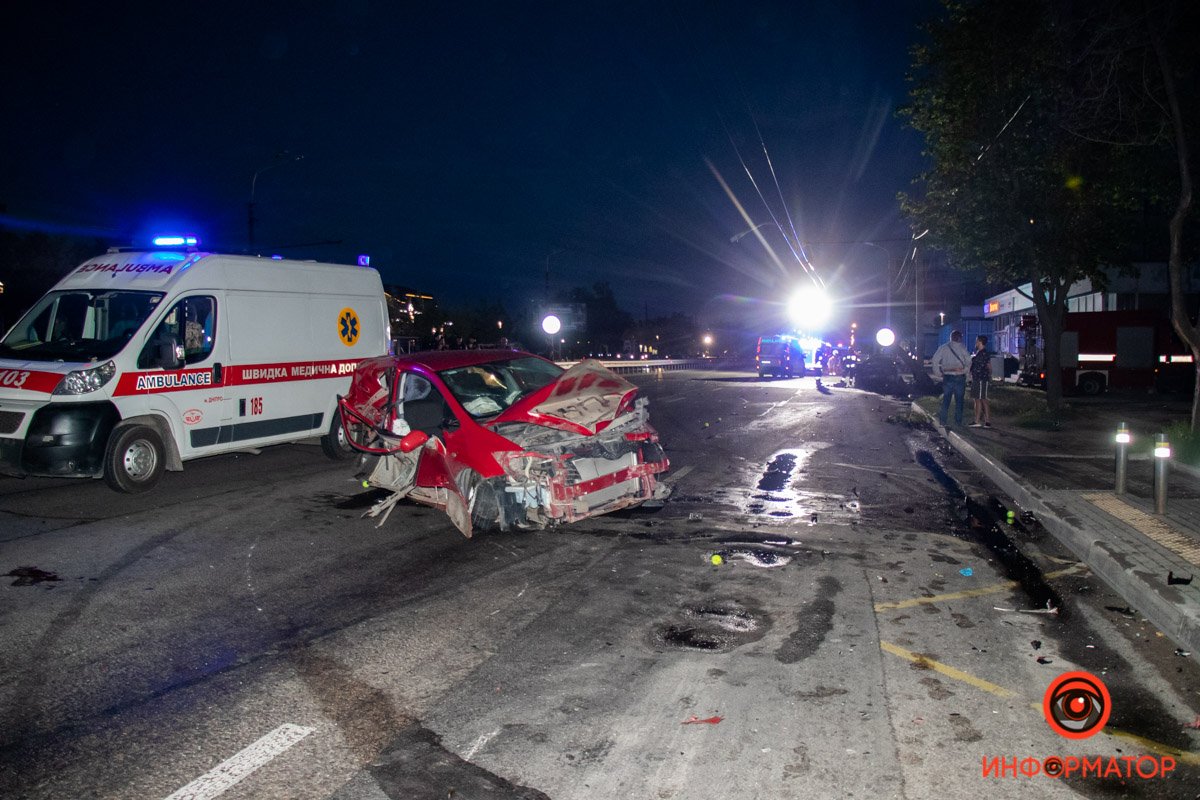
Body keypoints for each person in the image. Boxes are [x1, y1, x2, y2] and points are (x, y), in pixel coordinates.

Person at [931, 330, 970, 427]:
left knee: (946, 400)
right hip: (960, 377)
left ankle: (943, 421)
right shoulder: (962, 348)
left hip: (948, 377)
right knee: (959, 401)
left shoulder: (943, 348)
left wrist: (938, 373)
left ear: (951, 338)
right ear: (960, 338)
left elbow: (935, 360)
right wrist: (965, 372)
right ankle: (958, 422)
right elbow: (969, 362)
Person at [969, 334, 993, 428]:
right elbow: (989, 367)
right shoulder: (980, 353)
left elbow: (989, 366)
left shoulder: (983, 353)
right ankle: (984, 421)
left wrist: (988, 376)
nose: (975, 343)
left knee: (980, 399)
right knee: (980, 399)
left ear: (980, 341)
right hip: (978, 379)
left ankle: (979, 421)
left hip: (980, 379)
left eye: (976, 341)